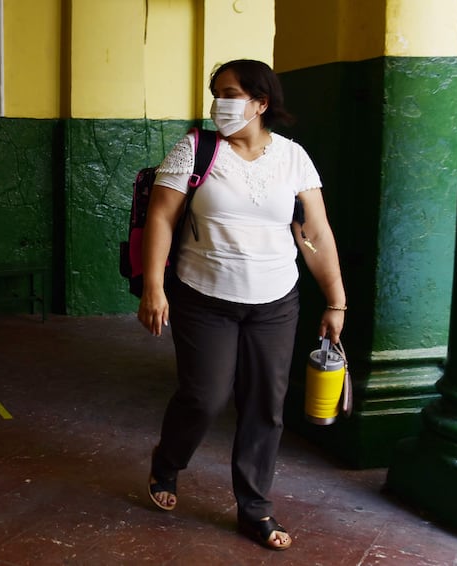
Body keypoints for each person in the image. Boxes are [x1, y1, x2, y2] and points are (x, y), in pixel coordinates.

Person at [137, 59, 346, 551]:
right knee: (204, 396)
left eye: (230, 93)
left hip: (275, 301)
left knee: (264, 405)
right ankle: (168, 462)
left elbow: (314, 231)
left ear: (260, 102)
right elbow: (161, 218)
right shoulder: (194, 149)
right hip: (204, 295)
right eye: (216, 93)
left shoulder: (293, 158)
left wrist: (336, 300)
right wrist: (153, 286)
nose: (219, 104)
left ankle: (255, 507)